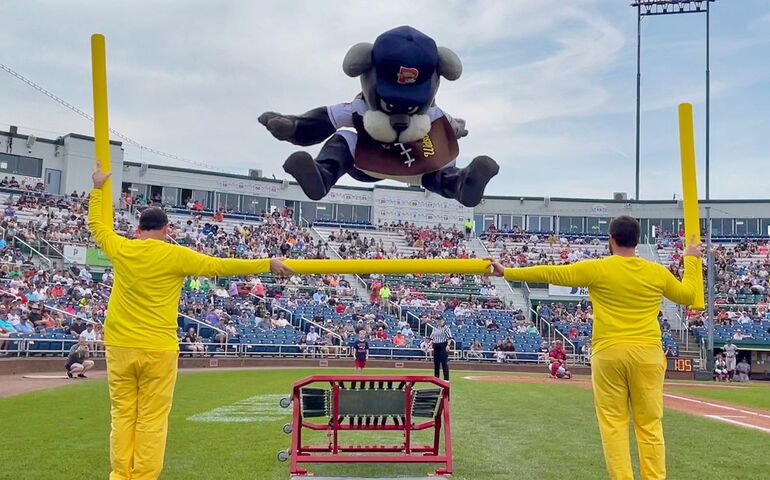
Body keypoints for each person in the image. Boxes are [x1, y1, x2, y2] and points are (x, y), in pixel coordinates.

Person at [88, 163, 292, 480]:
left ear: (139, 228)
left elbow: (98, 228)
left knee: (123, 414)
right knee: (152, 418)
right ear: (167, 228)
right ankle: (142, 476)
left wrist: (98, 188)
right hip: (158, 348)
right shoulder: (176, 255)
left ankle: (119, 475)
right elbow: (219, 266)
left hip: (120, 345)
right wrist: (267, 262)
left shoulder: (124, 248)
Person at [491, 215, 702, 480]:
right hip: (648, 353)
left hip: (609, 352)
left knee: (613, 424)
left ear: (611, 240)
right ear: (638, 241)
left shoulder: (599, 268)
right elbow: (689, 295)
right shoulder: (656, 271)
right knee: (649, 425)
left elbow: (551, 273)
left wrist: (507, 272)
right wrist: (691, 258)